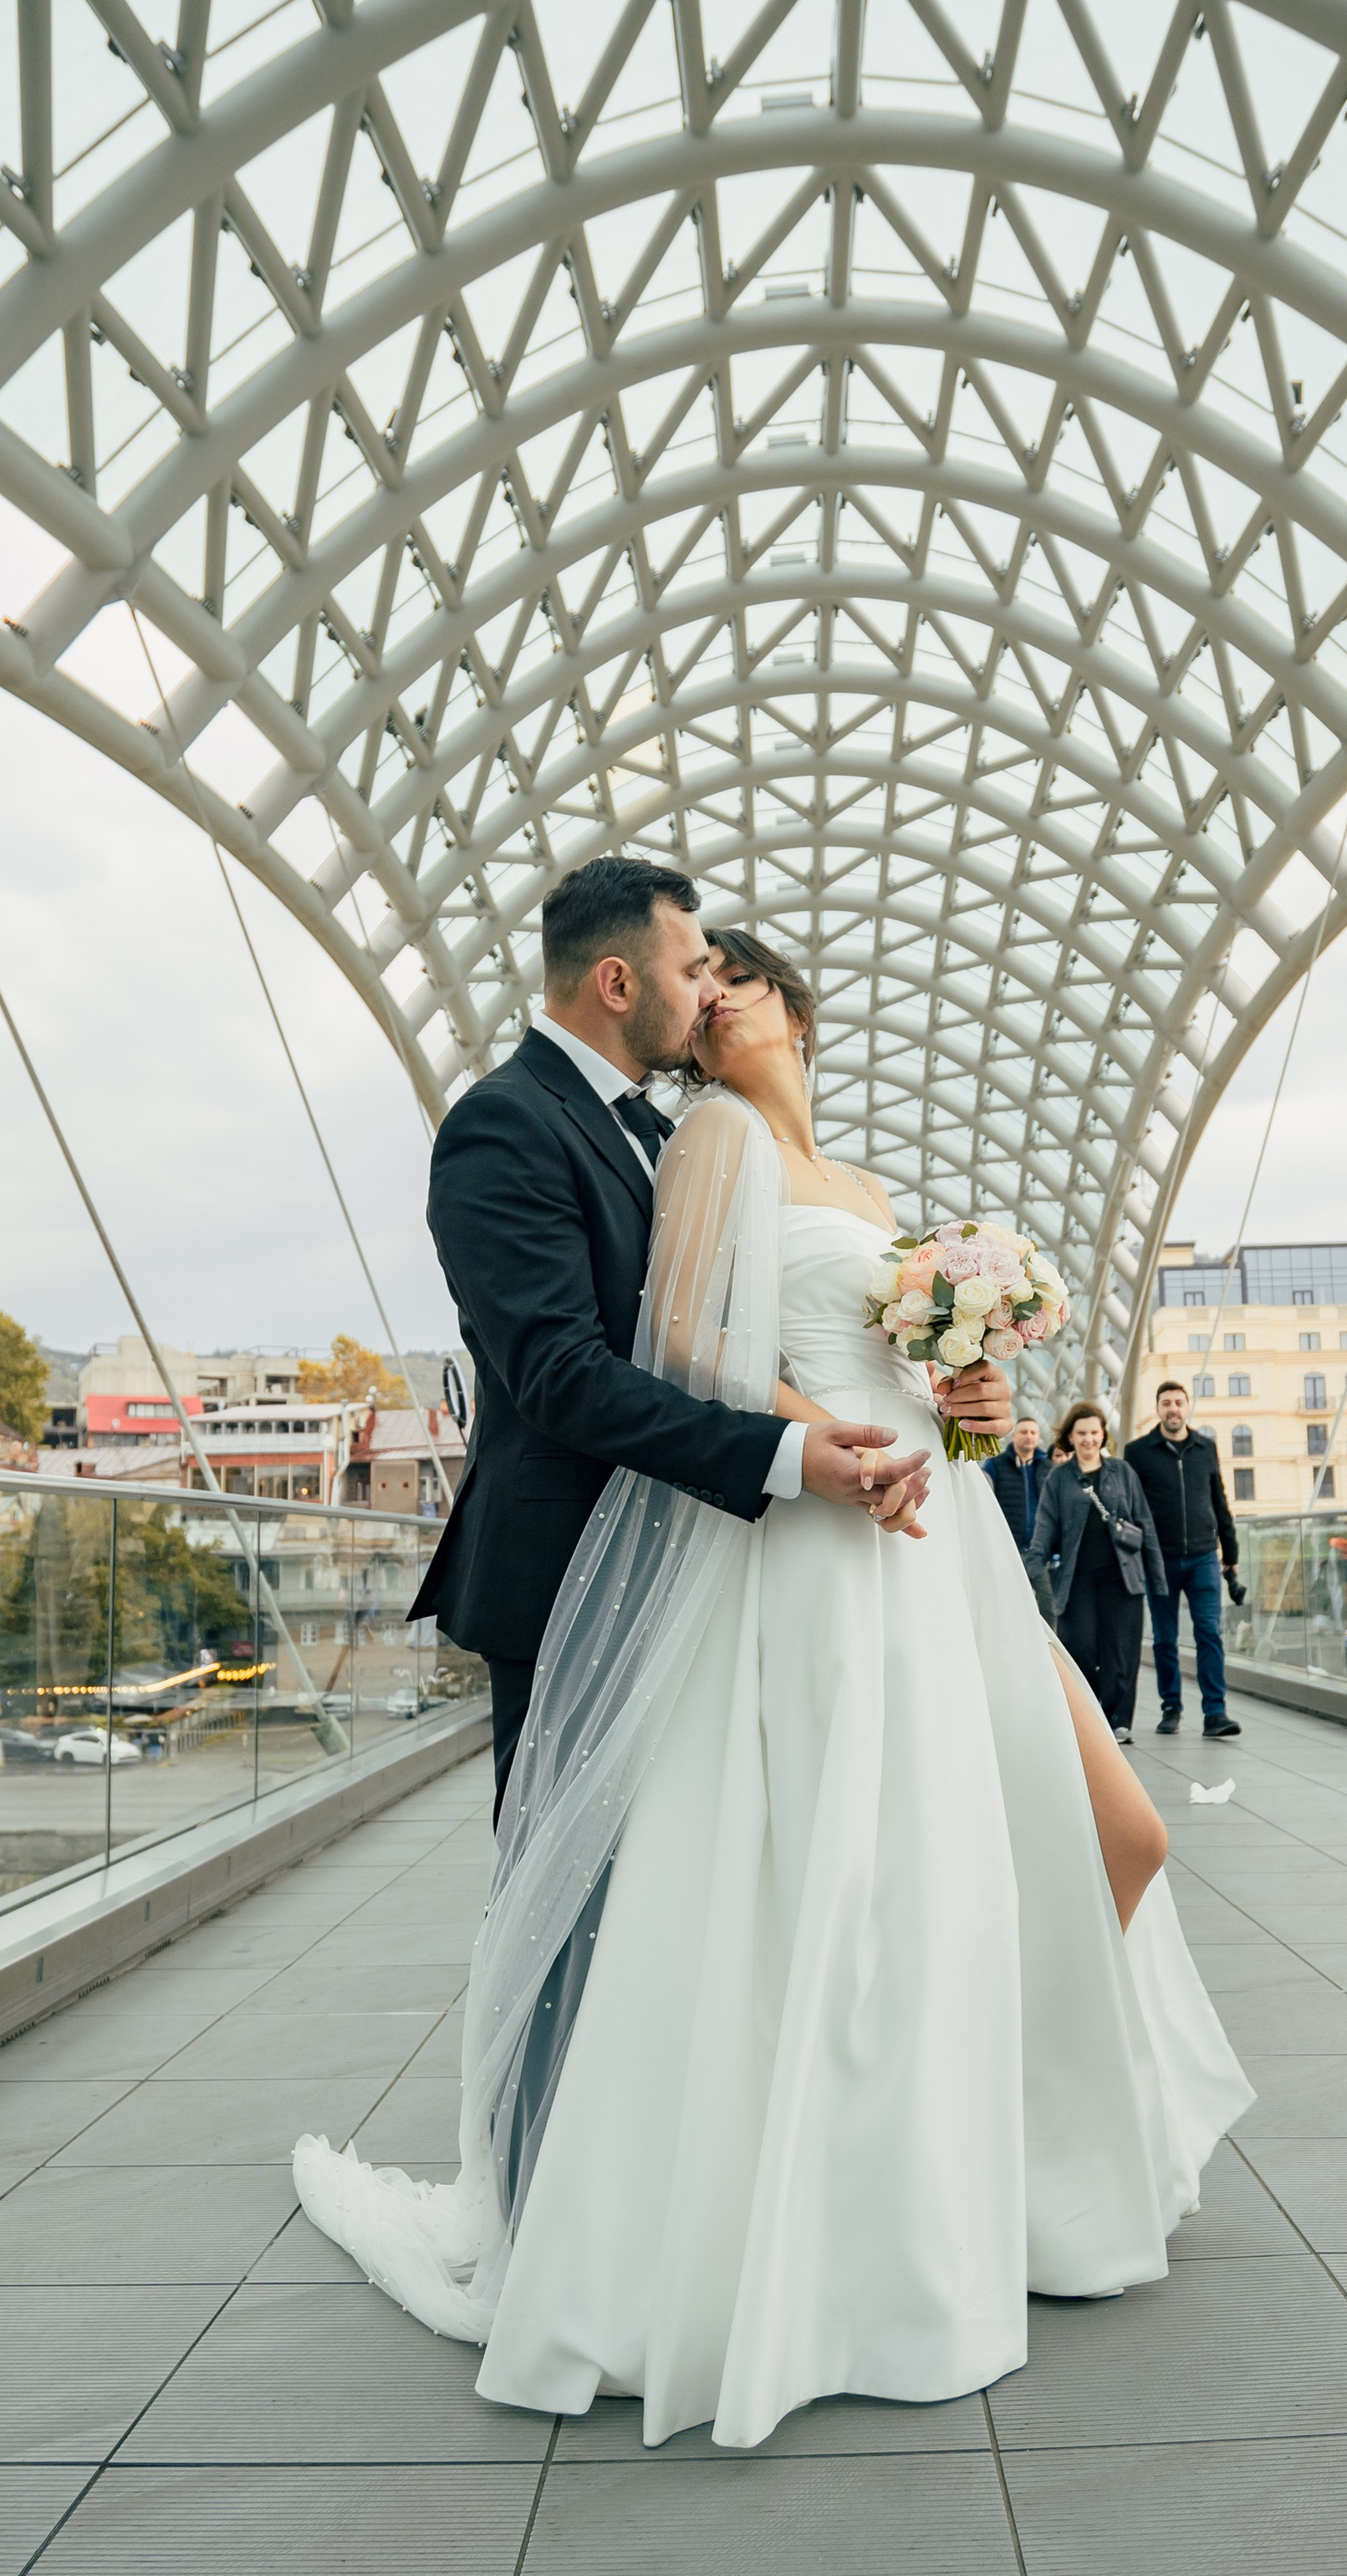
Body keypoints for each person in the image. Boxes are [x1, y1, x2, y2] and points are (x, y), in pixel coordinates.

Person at [297, 929, 1252, 2451]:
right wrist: (838, 1448)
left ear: (794, 1009)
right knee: (865, 1888)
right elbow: (693, 1346)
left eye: (732, 977)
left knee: (1090, 1840)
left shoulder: (865, 1190)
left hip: (939, 1540)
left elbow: (925, 1394)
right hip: (823, 1534)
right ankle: (864, 2230)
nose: (710, 998)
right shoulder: (712, 1142)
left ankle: (998, 2167)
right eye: (697, 981)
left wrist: (970, 1402)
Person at [407, 856, 951, 1818]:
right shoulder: (503, 1125)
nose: (708, 993)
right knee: (573, 1881)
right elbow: (562, 1375)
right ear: (618, 983)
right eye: (694, 968)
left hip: (693, 1563)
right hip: (567, 1573)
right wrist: (788, 1450)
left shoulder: (667, 1138)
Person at [1027, 1403, 1158, 1741]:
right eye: (1082, 1433)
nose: (1089, 1439)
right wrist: (1026, 1575)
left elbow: (1144, 1523)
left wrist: (1157, 1580)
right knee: (1080, 1648)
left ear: (1103, 1435)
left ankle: (1118, 1720)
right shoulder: (1059, 1478)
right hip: (1078, 1580)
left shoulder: (1122, 1472)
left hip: (1122, 1578)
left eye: (1094, 1432)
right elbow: (1044, 1531)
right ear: (1071, 1437)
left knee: (1120, 1652)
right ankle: (1094, 1710)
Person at [1125, 1379, 1243, 1740]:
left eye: (1178, 1402)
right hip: (1159, 1559)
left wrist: (1231, 1555)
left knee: (1209, 1633)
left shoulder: (1206, 1447)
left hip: (1204, 1557)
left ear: (1187, 1407)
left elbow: (1219, 1500)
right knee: (1165, 1638)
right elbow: (1131, 1508)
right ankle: (1171, 1708)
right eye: (1166, 1403)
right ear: (1157, 1409)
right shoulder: (1138, 1452)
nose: (1173, 1409)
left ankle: (1215, 1713)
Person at [983, 1417, 1047, 1560]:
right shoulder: (995, 1465)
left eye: (1033, 1433)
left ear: (1038, 1437)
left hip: (1039, 1554)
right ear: (1013, 1436)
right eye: (1024, 1432)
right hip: (1005, 1551)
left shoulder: (1048, 1468)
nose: (1029, 1436)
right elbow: (985, 1504)